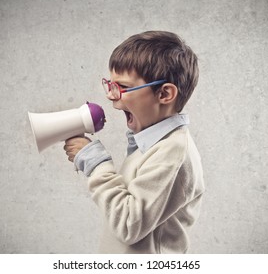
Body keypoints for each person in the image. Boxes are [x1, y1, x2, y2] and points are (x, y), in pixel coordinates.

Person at [64, 31, 205, 254]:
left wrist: (96, 163)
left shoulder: (172, 151)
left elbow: (129, 225)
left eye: (124, 87)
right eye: (111, 85)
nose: (111, 95)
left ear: (165, 94)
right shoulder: (152, 144)